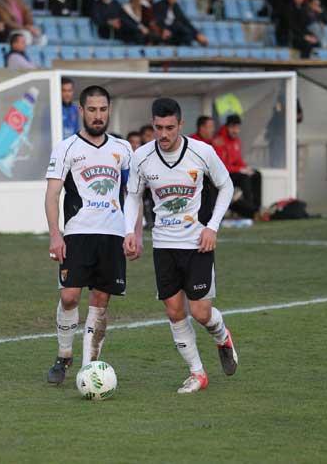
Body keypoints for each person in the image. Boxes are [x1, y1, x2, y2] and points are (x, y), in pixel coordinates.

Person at [123, 98, 237, 394]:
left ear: (181, 125)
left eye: (170, 128)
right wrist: (129, 231)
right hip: (164, 245)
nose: (163, 134)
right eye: (158, 127)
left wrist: (212, 227)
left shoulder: (202, 152)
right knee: (174, 312)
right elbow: (133, 195)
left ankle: (222, 337)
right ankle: (197, 373)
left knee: (200, 313)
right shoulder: (141, 157)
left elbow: (226, 186)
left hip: (198, 242)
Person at [45, 85, 140, 384]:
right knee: (69, 296)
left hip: (113, 234)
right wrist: (55, 235)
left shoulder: (124, 149)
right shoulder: (66, 148)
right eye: (92, 110)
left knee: (100, 300)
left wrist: (135, 232)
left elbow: (134, 194)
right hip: (77, 233)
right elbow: (52, 195)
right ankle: (64, 355)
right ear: (81, 111)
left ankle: (89, 368)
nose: (98, 116)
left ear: (109, 110)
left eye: (102, 110)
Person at [213, 114, 262, 219]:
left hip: (233, 172)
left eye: (237, 127)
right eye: (232, 127)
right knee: (245, 178)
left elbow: (237, 160)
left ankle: (257, 208)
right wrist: (240, 169)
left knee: (256, 174)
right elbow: (220, 166)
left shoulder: (236, 140)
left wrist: (246, 168)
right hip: (223, 175)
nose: (235, 130)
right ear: (227, 127)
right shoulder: (219, 141)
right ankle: (250, 211)